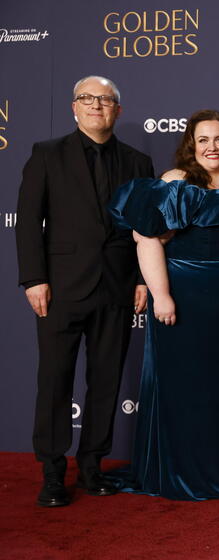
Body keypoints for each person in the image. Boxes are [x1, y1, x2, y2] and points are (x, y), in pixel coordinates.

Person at [108, 109, 219, 500]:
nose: (212, 148)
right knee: (190, 393)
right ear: (190, 147)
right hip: (187, 303)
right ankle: (186, 476)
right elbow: (146, 239)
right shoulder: (176, 183)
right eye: (203, 140)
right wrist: (160, 294)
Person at [15, 76, 154, 507]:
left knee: (107, 379)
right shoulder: (47, 154)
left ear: (118, 110)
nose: (97, 105)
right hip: (60, 287)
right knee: (54, 379)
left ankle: (92, 464)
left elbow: (143, 227)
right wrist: (33, 278)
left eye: (105, 100)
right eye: (87, 99)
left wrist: (139, 279)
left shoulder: (138, 162)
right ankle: (53, 471)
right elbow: (27, 221)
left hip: (115, 287)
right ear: (74, 108)